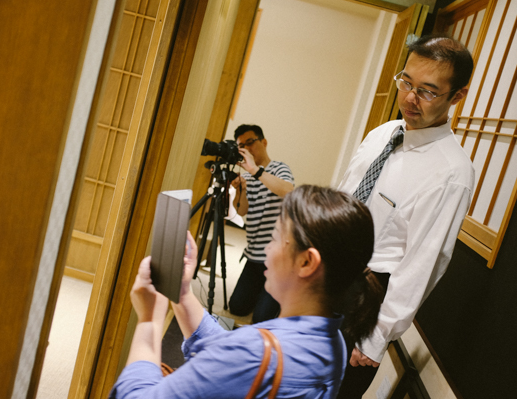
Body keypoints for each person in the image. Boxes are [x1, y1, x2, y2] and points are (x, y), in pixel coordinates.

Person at [110, 186, 384, 399]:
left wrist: (148, 320)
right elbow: (232, 355)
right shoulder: (332, 341)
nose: (266, 248)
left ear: (306, 262)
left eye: (275, 237)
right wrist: (182, 294)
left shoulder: (253, 354)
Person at [335, 35, 475, 398]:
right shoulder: (383, 133)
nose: (410, 97)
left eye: (428, 91)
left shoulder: (452, 172)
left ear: (456, 96)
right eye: (407, 82)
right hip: (329, 270)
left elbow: (424, 262)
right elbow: (346, 195)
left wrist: (377, 336)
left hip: (366, 296)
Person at [228, 124, 294, 323]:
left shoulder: (279, 168)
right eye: (241, 146)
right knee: (237, 308)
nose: (247, 149)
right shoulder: (246, 176)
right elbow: (242, 211)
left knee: (261, 320)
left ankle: (279, 292)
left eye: (250, 142)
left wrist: (256, 171)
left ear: (264, 142)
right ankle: (266, 292)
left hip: (278, 260)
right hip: (254, 256)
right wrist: (241, 190)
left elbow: (288, 190)